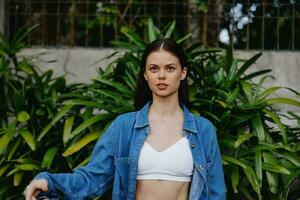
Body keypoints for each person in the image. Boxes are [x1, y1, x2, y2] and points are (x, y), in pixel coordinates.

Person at [24, 38, 226, 200]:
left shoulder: (203, 130)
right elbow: (93, 179)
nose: (161, 75)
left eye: (170, 68)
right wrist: (49, 182)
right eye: (154, 69)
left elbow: (217, 193)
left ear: (183, 73)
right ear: (145, 75)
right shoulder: (124, 127)